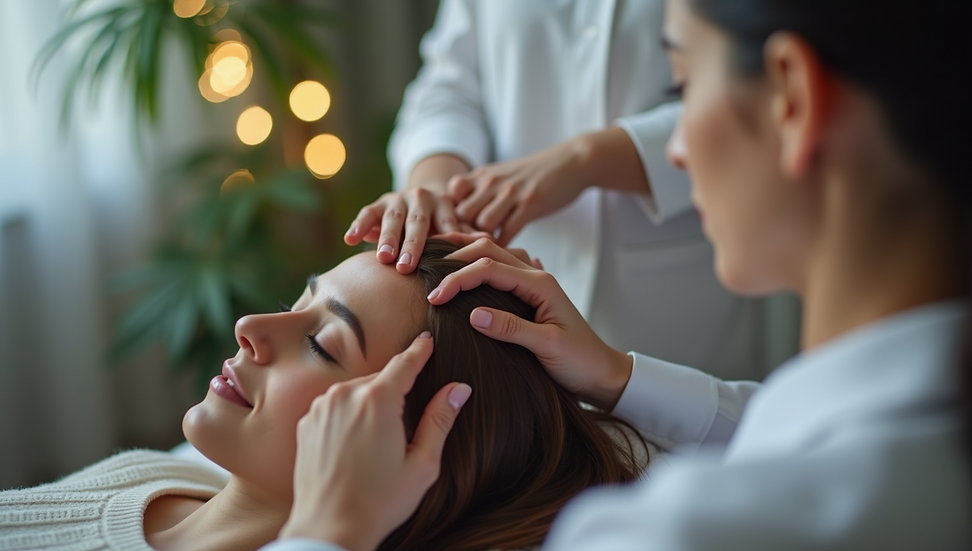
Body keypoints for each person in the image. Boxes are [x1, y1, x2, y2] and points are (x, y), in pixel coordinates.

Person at [263, 0, 972, 549]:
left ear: (791, 97)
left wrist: (326, 531)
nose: (680, 147)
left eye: (682, 84)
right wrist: (616, 375)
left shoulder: (660, 533)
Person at [0, 240, 650, 551]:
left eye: (323, 343)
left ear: (411, 450)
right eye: (293, 303)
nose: (250, 327)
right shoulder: (153, 478)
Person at [345, 0, 775, 381]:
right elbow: (452, 80)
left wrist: (589, 158)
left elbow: (762, 90)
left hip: (678, 308)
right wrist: (435, 184)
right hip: (508, 296)